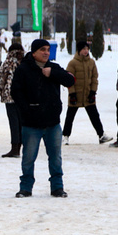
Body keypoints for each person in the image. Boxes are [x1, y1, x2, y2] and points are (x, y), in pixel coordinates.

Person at [11, 39, 76, 198]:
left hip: (52, 123)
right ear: (34, 53)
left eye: (47, 49)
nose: (46, 52)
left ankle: (57, 187)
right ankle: (25, 187)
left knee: (55, 158)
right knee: (28, 158)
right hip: (31, 124)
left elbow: (70, 80)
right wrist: (27, 110)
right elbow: (16, 92)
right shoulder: (23, 69)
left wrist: (52, 73)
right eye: (42, 50)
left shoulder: (53, 67)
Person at [62, 41, 112, 145]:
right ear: (79, 50)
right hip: (76, 95)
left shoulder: (91, 62)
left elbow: (94, 78)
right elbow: (68, 79)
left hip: (88, 95)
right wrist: (72, 94)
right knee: (70, 116)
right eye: (83, 49)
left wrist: (93, 91)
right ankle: (65, 136)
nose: (86, 51)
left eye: (87, 49)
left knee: (94, 116)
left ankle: (101, 135)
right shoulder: (73, 63)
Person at [0, 42, 25, 157]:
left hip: (10, 97)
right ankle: (21, 146)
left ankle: (14, 148)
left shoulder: (8, 62)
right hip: (23, 98)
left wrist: (1, 93)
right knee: (21, 123)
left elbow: (0, 80)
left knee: (13, 123)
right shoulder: (24, 62)